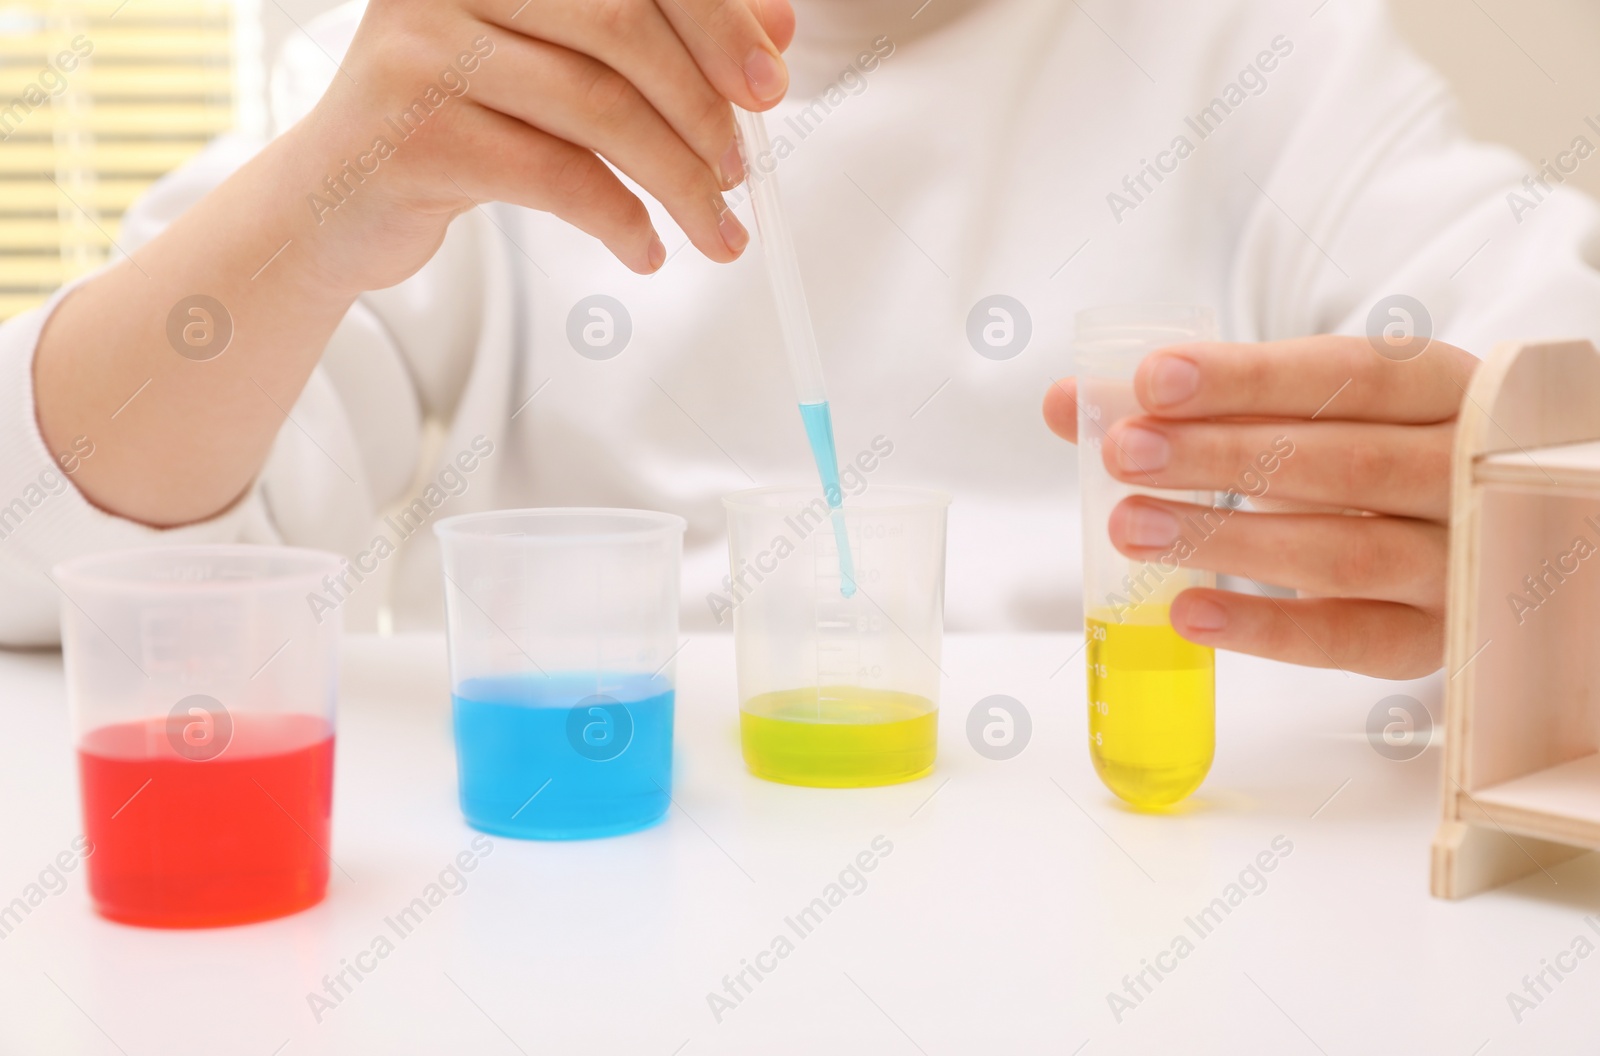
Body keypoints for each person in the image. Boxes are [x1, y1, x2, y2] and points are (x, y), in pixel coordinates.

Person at [2, 0, 1597, 681]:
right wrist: (319, 205)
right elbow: (48, 547)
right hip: (587, 893)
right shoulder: (498, 51)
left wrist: (1534, 555)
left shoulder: (1255, 55)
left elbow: (1553, 353)